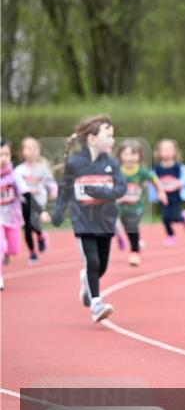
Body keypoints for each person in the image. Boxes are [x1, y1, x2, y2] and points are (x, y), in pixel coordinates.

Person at [50, 116, 127, 321]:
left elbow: (121, 188)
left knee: (101, 265)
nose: (112, 140)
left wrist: (102, 192)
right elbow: (65, 190)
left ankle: (87, 281)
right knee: (92, 261)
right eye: (108, 136)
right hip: (83, 220)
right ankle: (96, 304)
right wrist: (57, 213)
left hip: (105, 221)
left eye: (113, 136)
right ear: (92, 139)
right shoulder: (75, 163)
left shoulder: (112, 163)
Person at [116, 140, 167, 266]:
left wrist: (161, 192)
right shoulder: (117, 171)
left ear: (139, 156)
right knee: (127, 227)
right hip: (121, 207)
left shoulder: (142, 171)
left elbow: (154, 179)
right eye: (126, 154)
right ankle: (136, 241)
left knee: (132, 226)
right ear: (120, 156)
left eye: (133, 154)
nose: (130, 158)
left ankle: (135, 252)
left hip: (136, 206)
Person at [15, 137, 57, 264]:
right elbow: (18, 188)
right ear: (22, 151)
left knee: (34, 223)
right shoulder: (18, 170)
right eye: (28, 148)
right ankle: (32, 252)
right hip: (24, 202)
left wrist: (54, 191)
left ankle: (39, 235)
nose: (32, 151)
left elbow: (51, 183)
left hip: (39, 201)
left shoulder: (43, 169)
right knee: (27, 228)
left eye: (35, 148)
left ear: (39, 150)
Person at [152, 139, 185, 246]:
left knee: (175, 217)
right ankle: (171, 236)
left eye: (169, 149)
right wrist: (154, 192)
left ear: (174, 152)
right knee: (165, 218)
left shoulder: (178, 167)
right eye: (164, 149)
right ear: (159, 152)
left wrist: (180, 183)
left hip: (176, 196)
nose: (167, 152)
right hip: (164, 197)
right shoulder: (157, 168)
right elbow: (152, 180)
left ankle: (184, 217)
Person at [0, 138, 28, 289]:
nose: (3, 158)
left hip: (12, 217)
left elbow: (23, 188)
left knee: (13, 249)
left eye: (6, 154)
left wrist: (27, 195)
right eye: (0, 155)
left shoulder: (14, 174)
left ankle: (6, 252)